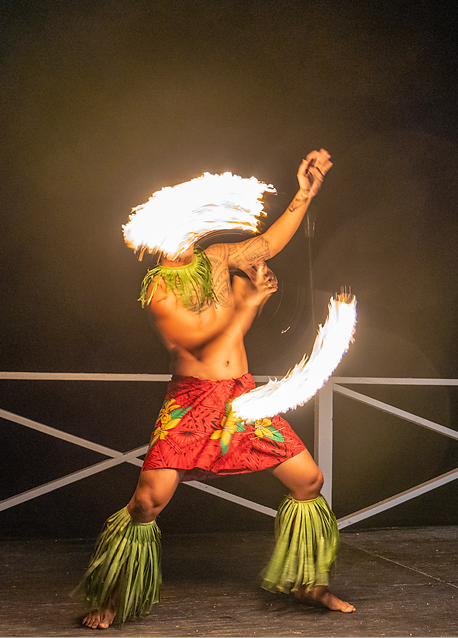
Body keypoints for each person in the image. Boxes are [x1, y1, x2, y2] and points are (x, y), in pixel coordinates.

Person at [77, 149, 354, 629]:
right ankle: (114, 595)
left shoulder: (219, 258)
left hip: (241, 398)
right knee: (146, 503)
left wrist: (304, 195)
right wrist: (249, 304)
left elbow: (267, 243)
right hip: (192, 405)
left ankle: (310, 582)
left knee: (309, 481)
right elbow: (203, 345)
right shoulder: (160, 290)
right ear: (159, 238)